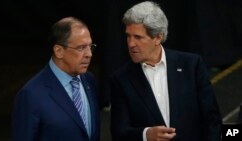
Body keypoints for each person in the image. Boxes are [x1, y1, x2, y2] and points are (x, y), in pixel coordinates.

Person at [110, 1, 222, 141]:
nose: (131, 44)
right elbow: (119, 132)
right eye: (128, 36)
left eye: (138, 37)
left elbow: (212, 120)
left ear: (158, 37)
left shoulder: (191, 66)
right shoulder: (121, 79)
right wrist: (146, 135)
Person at [12, 17, 100, 141]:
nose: (89, 54)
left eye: (90, 46)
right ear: (59, 51)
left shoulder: (89, 81)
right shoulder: (31, 95)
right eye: (81, 48)